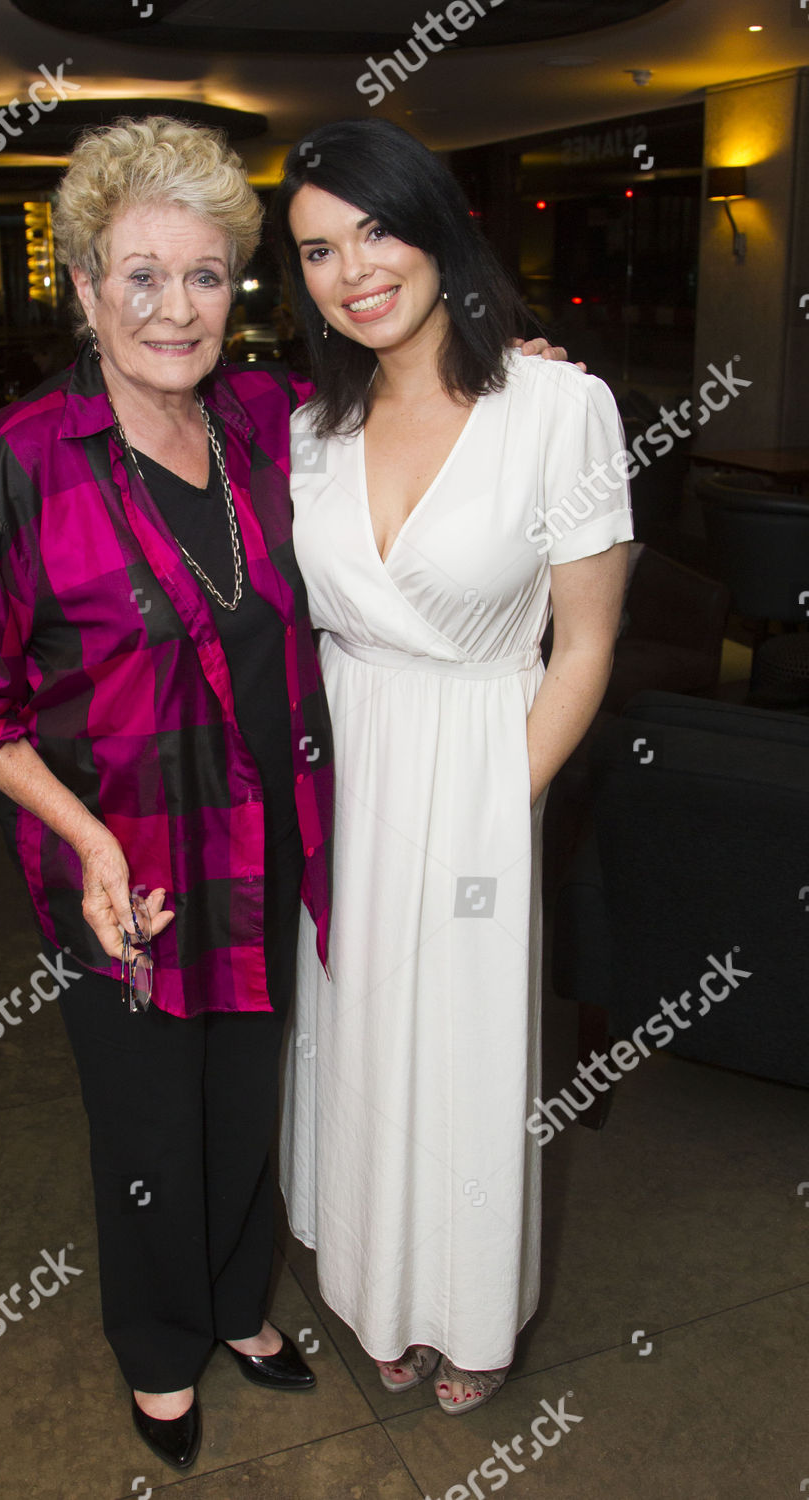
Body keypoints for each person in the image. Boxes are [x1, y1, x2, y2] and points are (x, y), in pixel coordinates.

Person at [0, 116, 335, 1474]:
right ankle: (160, 1352)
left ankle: (231, 1305)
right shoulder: (16, 467)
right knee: (152, 1114)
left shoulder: (262, 423)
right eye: (138, 275)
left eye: (205, 276)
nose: (174, 308)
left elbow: (409, 394)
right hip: (121, 869)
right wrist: (83, 833)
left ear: (235, 294)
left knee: (244, 1090)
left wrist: (520, 370)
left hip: (261, 845)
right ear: (84, 288)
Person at [273, 119, 633, 1414]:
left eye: (375, 228)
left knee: (468, 1047)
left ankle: (467, 1307)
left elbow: (586, 645)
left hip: (484, 760)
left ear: (436, 226)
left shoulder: (559, 406)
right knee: (363, 1041)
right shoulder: (312, 427)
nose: (353, 269)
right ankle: (382, 1287)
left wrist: (496, 807)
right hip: (350, 775)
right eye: (317, 248)